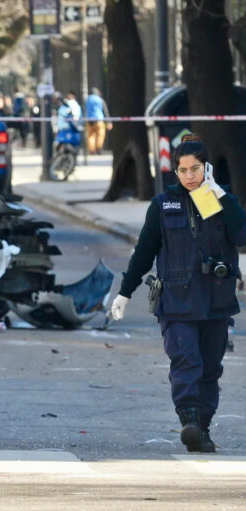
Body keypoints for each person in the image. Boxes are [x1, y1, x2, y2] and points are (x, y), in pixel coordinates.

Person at [110, 134, 246, 453]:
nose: (189, 177)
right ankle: (190, 422)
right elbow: (144, 252)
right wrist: (125, 292)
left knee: (210, 368)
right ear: (175, 171)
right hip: (176, 301)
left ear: (206, 168)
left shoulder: (217, 199)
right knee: (186, 361)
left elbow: (241, 235)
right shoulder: (164, 204)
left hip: (216, 300)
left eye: (195, 169)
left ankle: (203, 428)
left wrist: (219, 194)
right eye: (182, 170)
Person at [85, 87, 112, 154]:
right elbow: (105, 111)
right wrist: (109, 122)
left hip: (90, 120)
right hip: (99, 120)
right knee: (100, 135)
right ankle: (99, 148)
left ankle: (92, 150)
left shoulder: (87, 100)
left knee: (91, 136)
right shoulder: (100, 100)